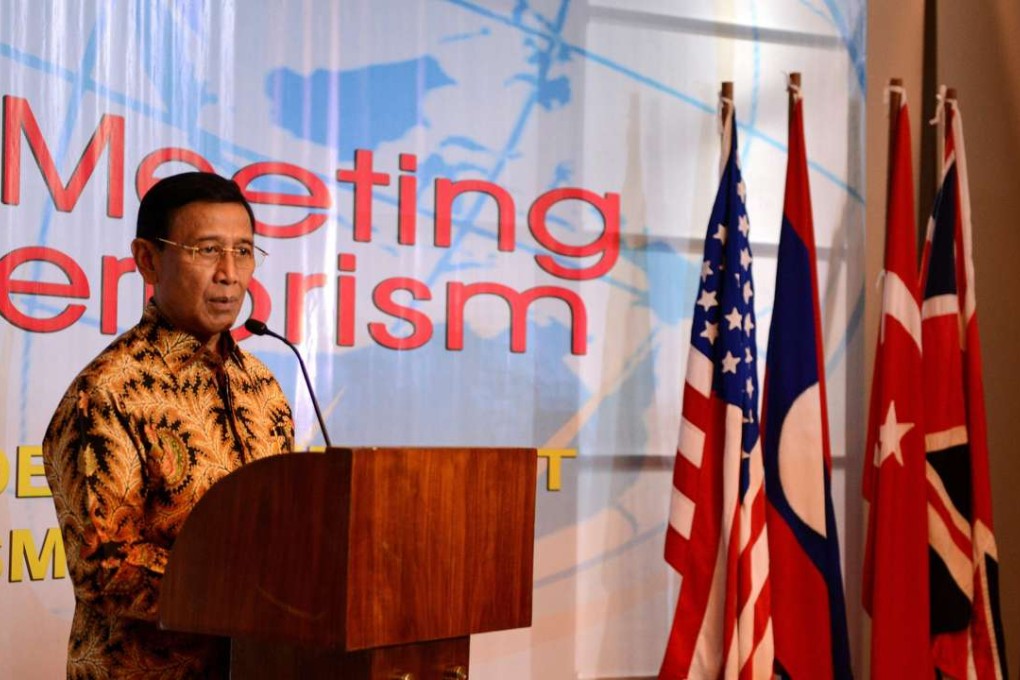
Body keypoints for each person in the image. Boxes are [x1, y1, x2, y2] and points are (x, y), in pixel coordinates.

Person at [42, 172, 295, 679]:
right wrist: (253, 591)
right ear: (148, 260)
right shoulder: (107, 393)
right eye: (207, 250)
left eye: (244, 251)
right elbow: (105, 567)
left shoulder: (261, 385)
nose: (230, 273)